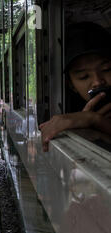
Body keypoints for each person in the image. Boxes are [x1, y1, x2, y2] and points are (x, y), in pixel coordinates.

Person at [39, 22, 111, 152]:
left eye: (107, 69)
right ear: (71, 85)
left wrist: (94, 120)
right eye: (84, 76)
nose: (98, 82)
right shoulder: (70, 112)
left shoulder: (85, 118)